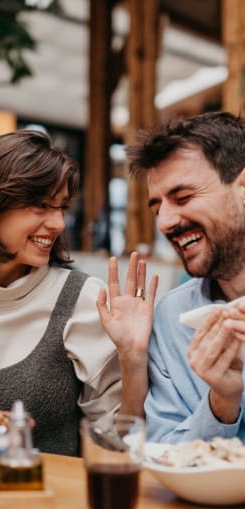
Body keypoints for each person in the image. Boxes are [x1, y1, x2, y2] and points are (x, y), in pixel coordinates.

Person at [0, 129, 149, 457]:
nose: (58, 223)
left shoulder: (82, 299)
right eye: (40, 205)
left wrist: (133, 357)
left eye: (62, 207)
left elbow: (118, 440)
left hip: (51, 503)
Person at [97, 111, 245, 444]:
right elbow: (163, 450)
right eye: (156, 208)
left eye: (183, 198)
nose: (164, 222)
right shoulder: (170, 317)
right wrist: (222, 404)